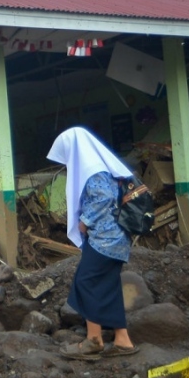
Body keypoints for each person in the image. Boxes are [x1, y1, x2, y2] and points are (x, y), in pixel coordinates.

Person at [46, 127, 140, 360]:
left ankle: (94, 339)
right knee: (108, 284)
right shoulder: (103, 164)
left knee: (86, 282)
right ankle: (123, 340)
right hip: (117, 239)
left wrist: (84, 223)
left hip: (104, 240)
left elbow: (103, 198)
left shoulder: (92, 168)